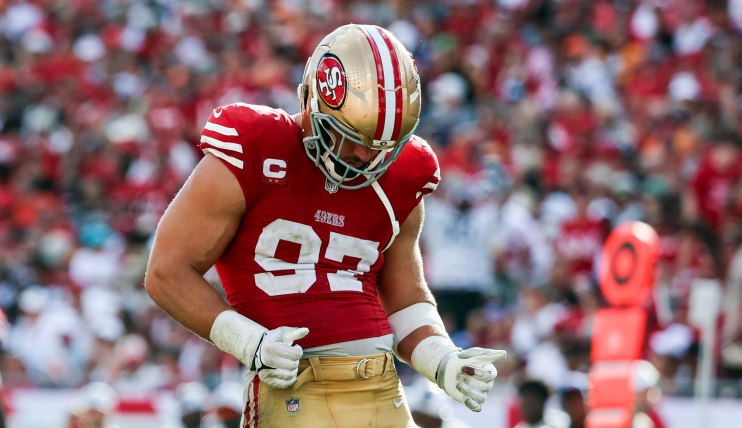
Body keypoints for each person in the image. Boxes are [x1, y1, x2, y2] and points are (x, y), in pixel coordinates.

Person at [145, 23, 506, 428]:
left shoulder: (405, 174)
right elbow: (166, 272)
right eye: (351, 136)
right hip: (293, 387)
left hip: (382, 386)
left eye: (381, 144)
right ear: (316, 104)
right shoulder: (257, 147)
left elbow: (404, 297)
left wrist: (442, 359)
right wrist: (251, 343)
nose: (365, 157)